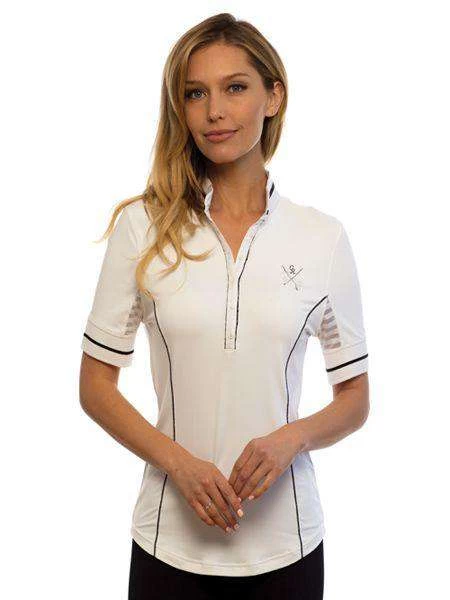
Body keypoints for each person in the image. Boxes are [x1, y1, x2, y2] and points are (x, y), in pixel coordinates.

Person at [79, 12, 369, 600]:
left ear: (273, 97)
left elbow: (355, 398)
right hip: (167, 547)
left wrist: (293, 438)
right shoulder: (143, 228)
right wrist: (179, 464)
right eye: (196, 93)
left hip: (289, 548)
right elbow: (95, 386)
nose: (214, 111)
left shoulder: (322, 238)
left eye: (235, 87)